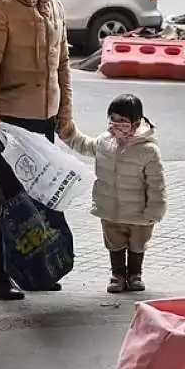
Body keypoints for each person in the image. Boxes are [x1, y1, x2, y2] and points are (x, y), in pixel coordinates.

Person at [0, 0, 73, 300]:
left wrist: (65, 114)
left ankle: (38, 271)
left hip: (44, 116)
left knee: (40, 194)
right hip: (10, 119)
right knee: (7, 197)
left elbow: (63, 66)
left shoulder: (55, 7)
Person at [59, 94, 166, 293]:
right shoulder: (104, 142)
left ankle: (135, 274)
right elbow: (83, 145)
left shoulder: (148, 150)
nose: (116, 127)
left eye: (123, 123)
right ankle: (117, 275)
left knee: (137, 244)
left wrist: (155, 211)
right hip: (111, 210)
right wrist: (67, 132)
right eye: (113, 121)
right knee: (114, 243)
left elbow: (157, 185)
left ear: (136, 124)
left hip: (140, 214)